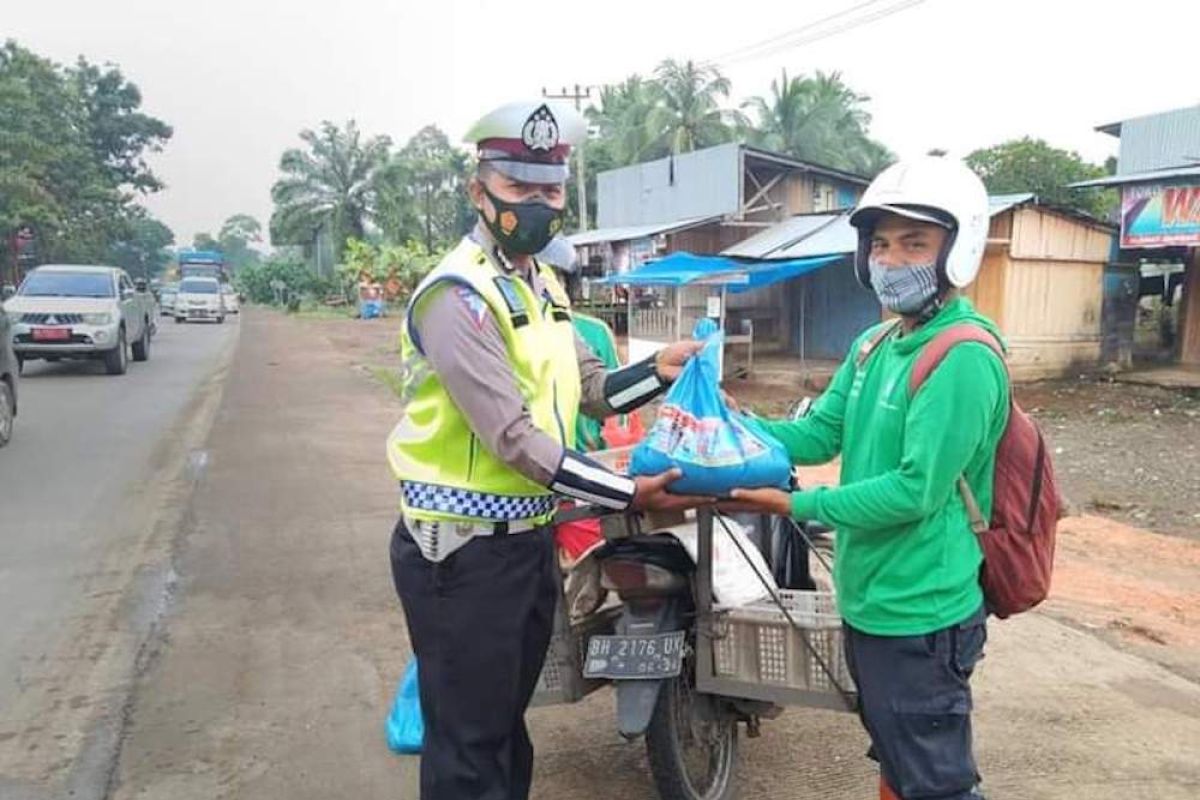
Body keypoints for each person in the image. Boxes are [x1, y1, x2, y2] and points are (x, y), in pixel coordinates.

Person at [386, 99, 709, 800]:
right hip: (461, 553)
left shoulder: (542, 286)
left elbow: (590, 391)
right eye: (519, 187)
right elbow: (513, 439)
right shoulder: (458, 296)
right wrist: (629, 493)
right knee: (469, 745)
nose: (537, 204)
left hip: (525, 543)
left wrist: (658, 372)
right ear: (480, 190)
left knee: (505, 730)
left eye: (551, 189)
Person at [724, 157, 1008, 800]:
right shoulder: (874, 345)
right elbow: (820, 433)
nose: (891, 259)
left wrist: (795, 502)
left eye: (914, 243)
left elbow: (915, 491)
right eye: (880, 243)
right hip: (871, 601)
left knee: (937, 781)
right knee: (898, 760)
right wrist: (739, 425)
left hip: (922, 609)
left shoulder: (961, 355)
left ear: (955, 251)